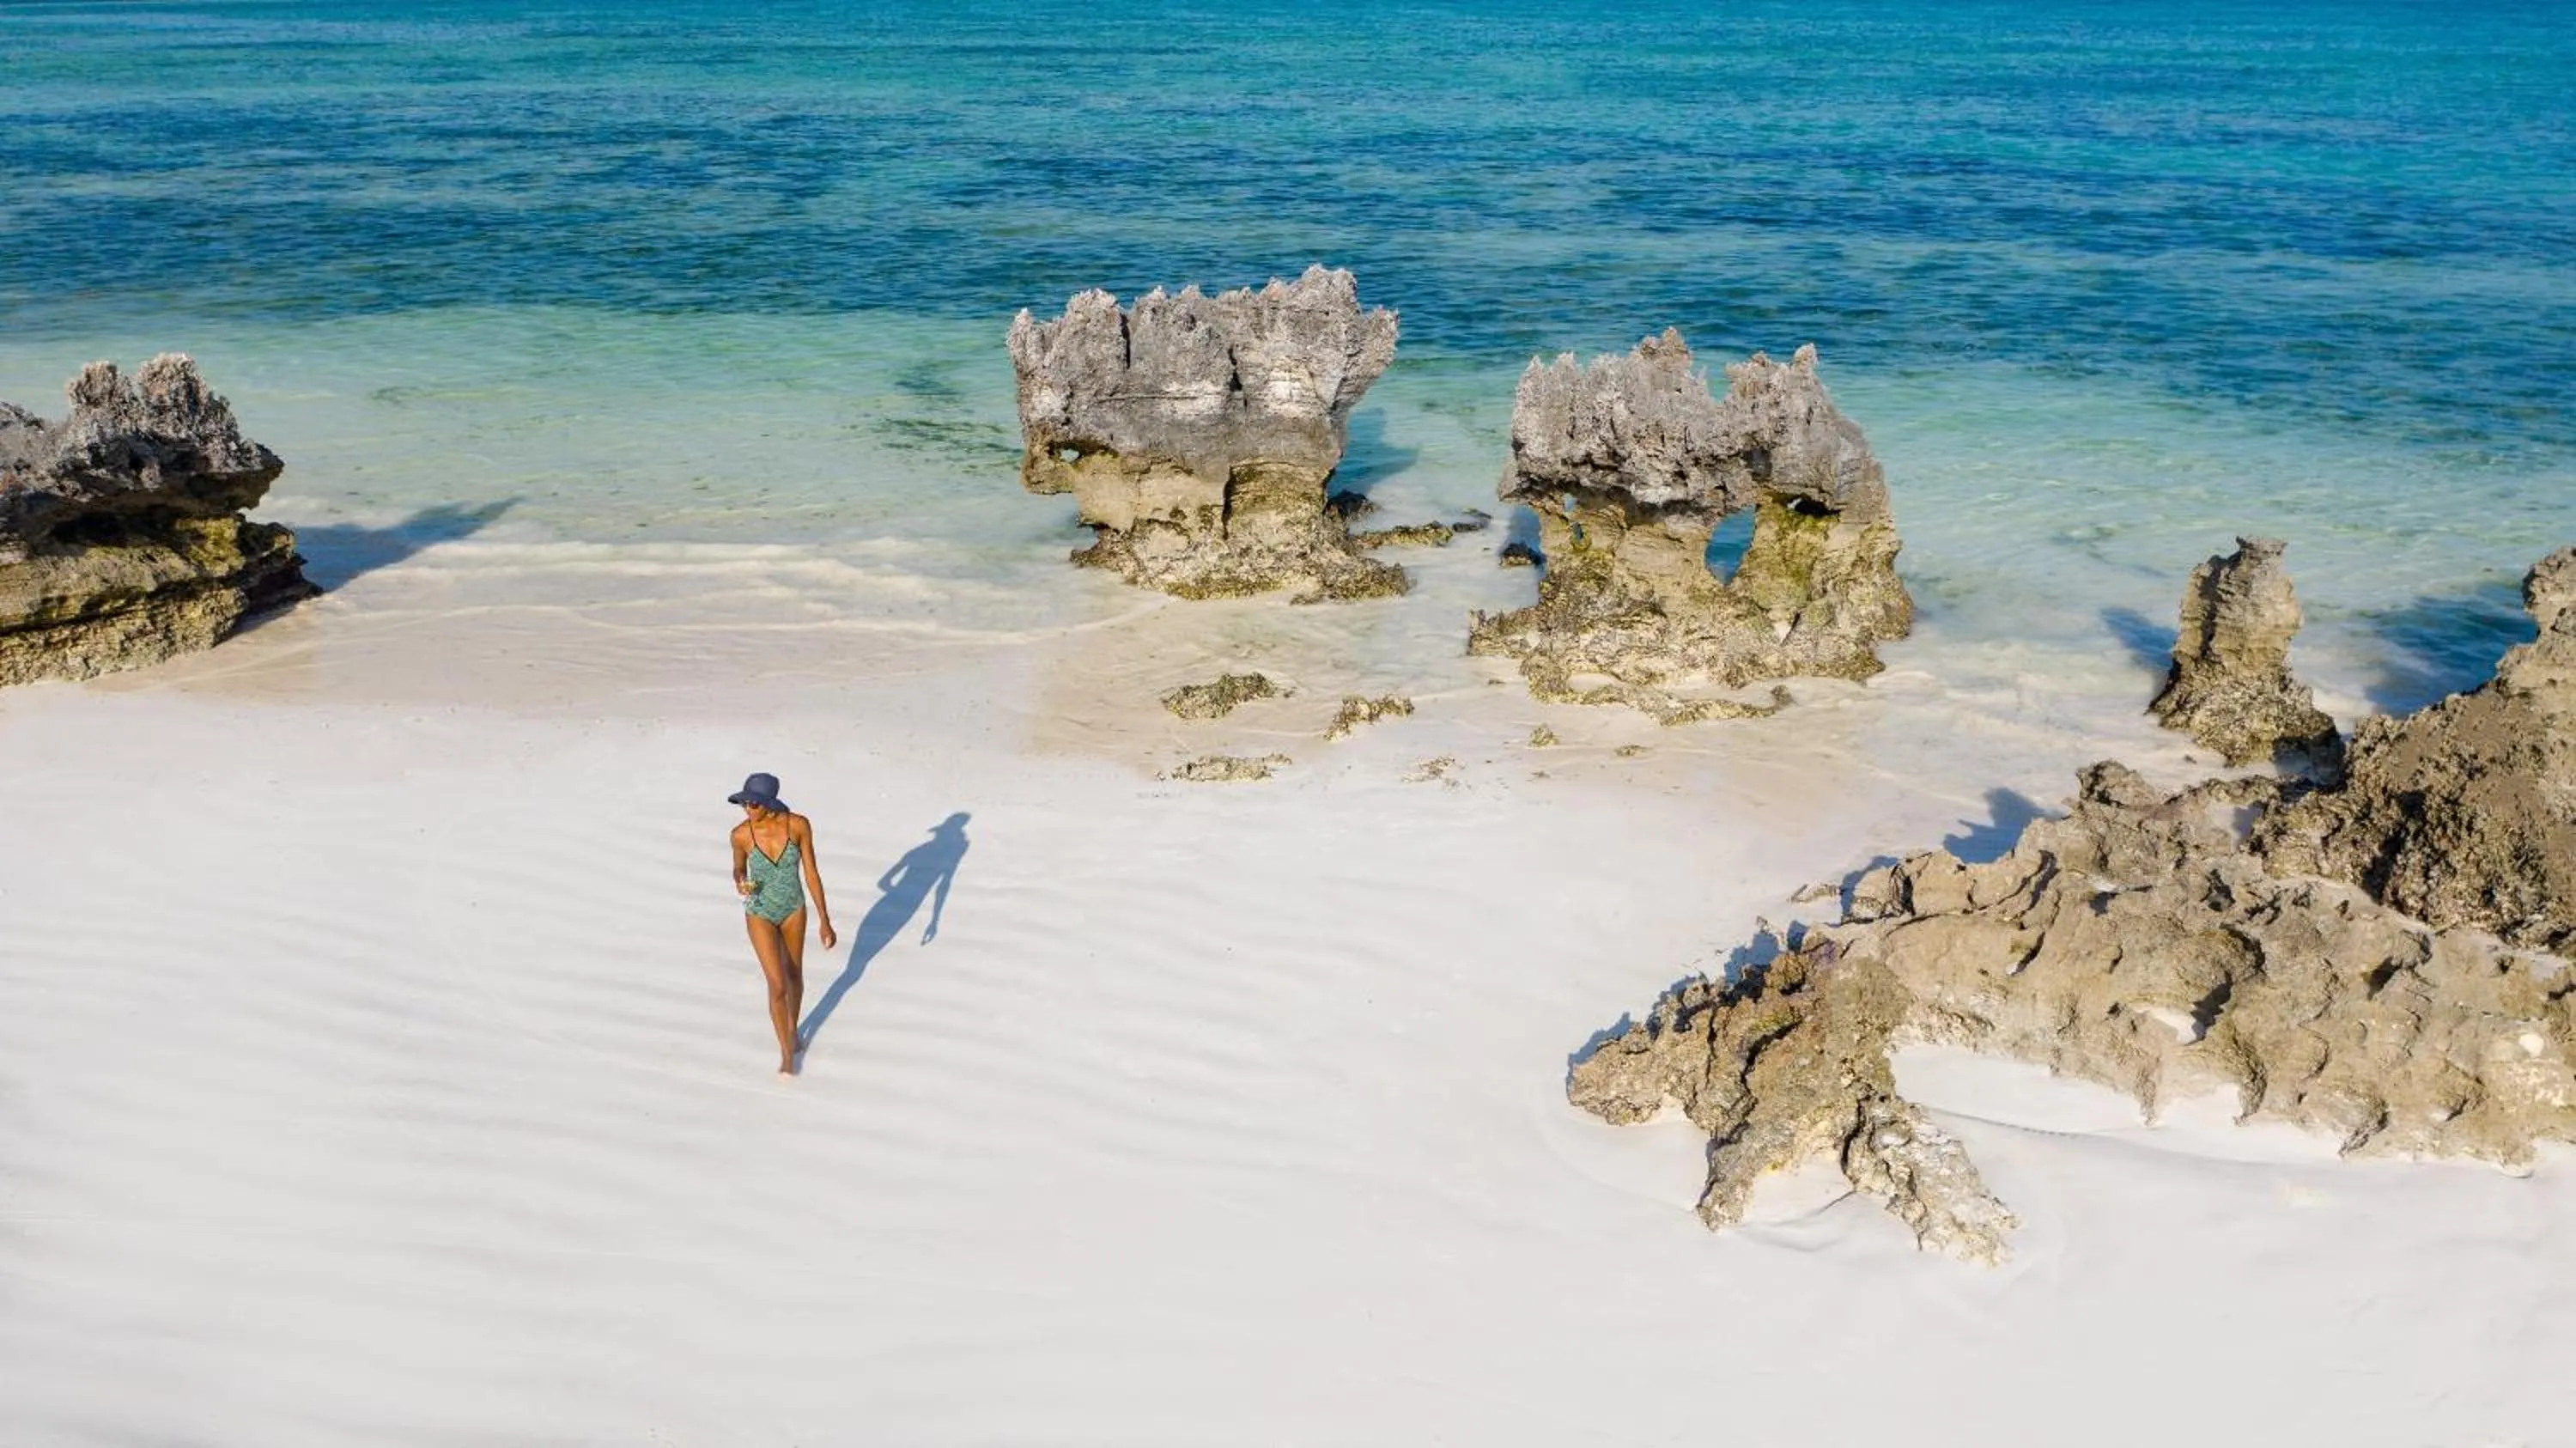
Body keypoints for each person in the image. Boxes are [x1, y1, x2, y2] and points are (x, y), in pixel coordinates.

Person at [727, 772, 835, 1074]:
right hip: (759, 911)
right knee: (776, 985)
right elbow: (737, 869)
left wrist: (825, 919)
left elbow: (812, 873)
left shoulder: (797, 825)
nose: (749, 808)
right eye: (745, 803)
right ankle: (787, 1054)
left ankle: (792, 1029)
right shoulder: (740, 835)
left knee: (794, 974)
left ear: (770, 804)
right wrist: (741, 880)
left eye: (755, 803)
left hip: (793, 909)